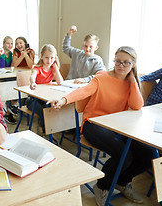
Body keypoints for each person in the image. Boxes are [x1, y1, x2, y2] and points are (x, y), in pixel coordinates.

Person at [48, 46, 151, 206]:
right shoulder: (101, 77)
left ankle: (122, 182)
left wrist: (132, 81)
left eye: (126, 63)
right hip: (93, 124)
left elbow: (137, 105)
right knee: (125, 155)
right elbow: (84, 91)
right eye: (118, 61)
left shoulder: (131, 82)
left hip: (117, 126)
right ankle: (102, 186)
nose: (121, 66)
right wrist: (63, 100)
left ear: (133, 64)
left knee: (148, 154)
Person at [26, 44, 63, 132]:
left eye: (52, 58)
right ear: (41, 56)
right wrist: (33, 82)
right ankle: (45, 131)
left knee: (54, 108)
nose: (49, 60)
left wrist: (55, 67)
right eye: (46, 57)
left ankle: (50, 129)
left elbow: (60, 82)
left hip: (46, 98)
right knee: (44, 112)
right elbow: (32, 76)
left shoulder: (52, 68)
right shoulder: (37, 68)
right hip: (33, 100)